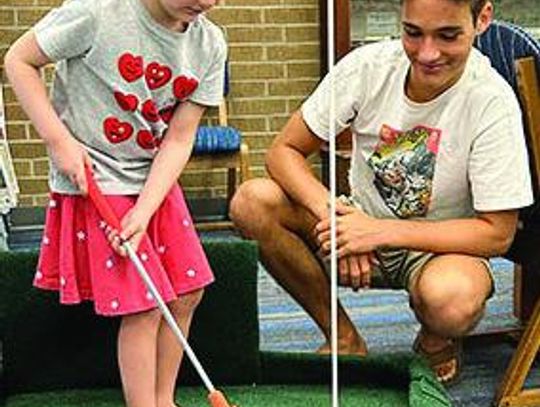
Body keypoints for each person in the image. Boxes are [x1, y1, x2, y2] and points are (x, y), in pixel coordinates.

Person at [230, 0, 533, 385]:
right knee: (252, 202)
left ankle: (437, 338)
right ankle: (342, 336)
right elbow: (283, 151)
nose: (427, 53)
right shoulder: (366, 67)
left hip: (443, 249)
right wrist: (337, 219)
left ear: (482, 19)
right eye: (413, 32)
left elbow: (497, 232)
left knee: (452, 300)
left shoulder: (493, 102)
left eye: (448, 35)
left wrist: (379, 231)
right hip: (354, 225)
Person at [5, 0, 226, 405]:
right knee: (144, 305)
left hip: (152, 181)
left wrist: (144, 209)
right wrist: (58, 141)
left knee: (187, 291)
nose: (206, 1)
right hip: (96, 179)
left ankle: (164, 400)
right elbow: (18, 60)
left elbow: (179, 138)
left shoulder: (210, 43)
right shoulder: (96, 12)